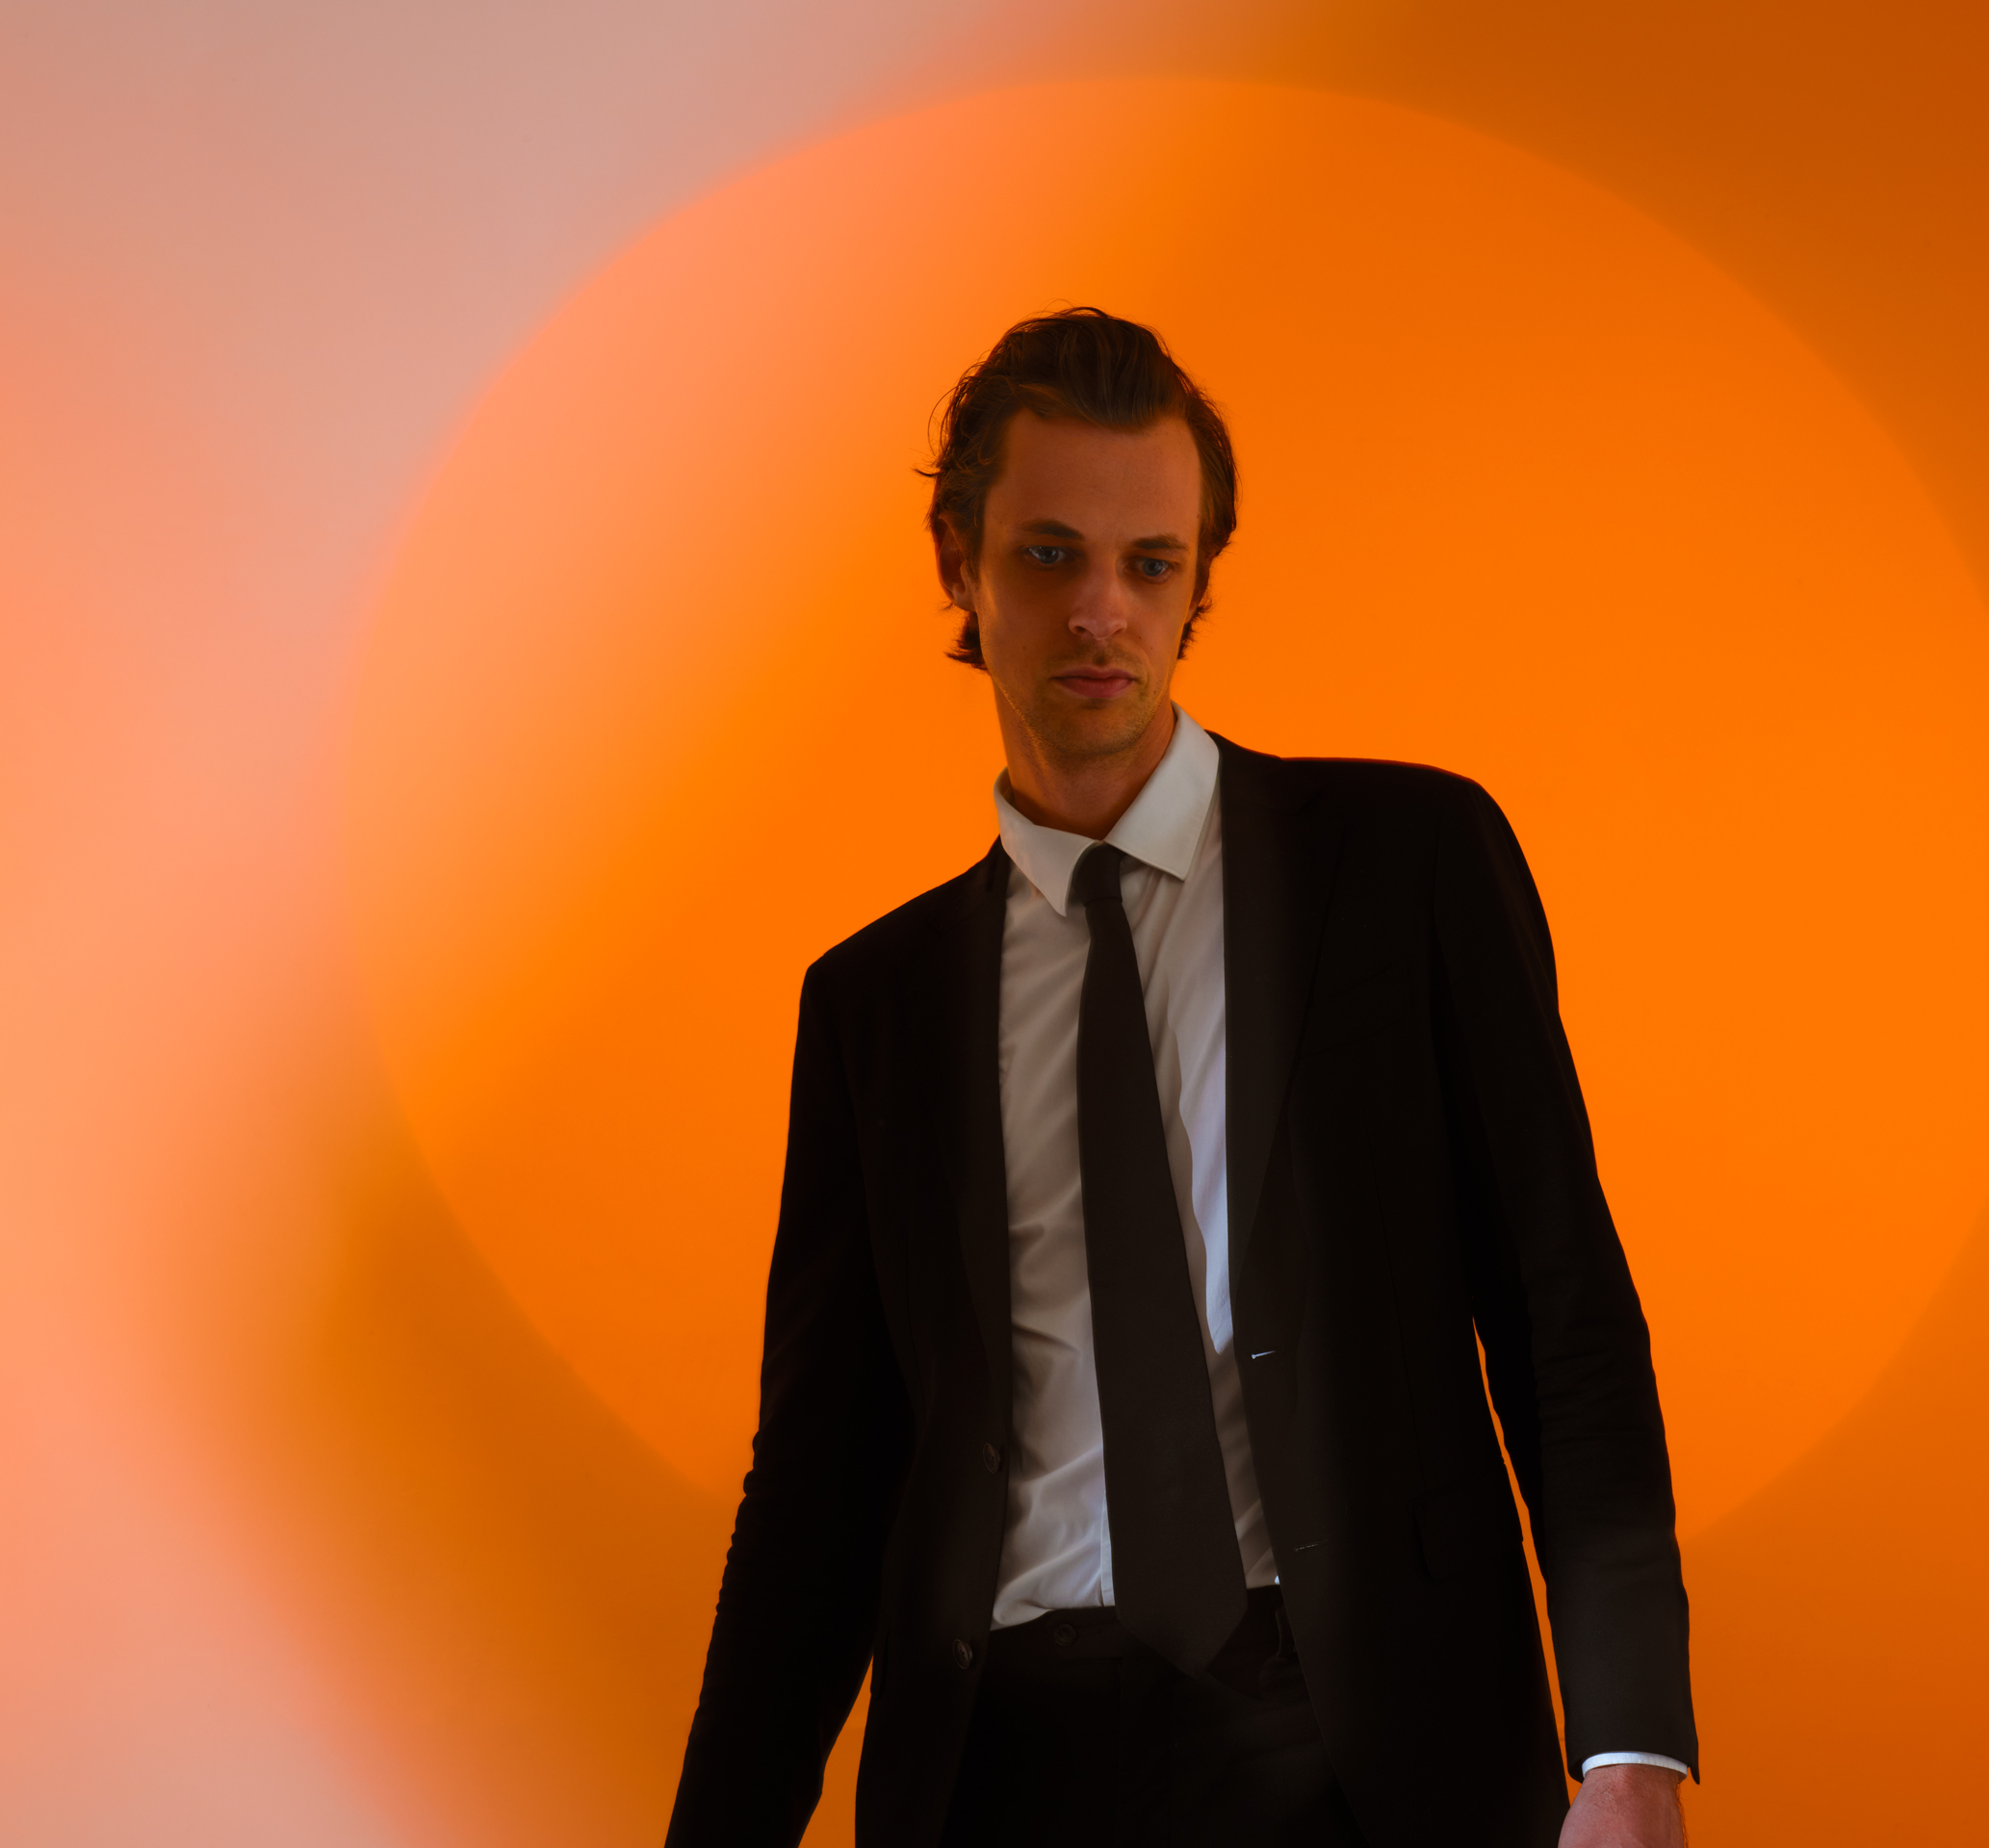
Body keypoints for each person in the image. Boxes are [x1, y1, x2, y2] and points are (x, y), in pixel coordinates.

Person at [664, 308, 1697, 1848]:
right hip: (1000, 1762)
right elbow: (820, 1486)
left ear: (1199, 578)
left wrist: (1628, 1748)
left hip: (1360, 1740)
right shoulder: (875, 1005)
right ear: (959, 561)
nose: (1103, 612)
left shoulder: (1407, 868)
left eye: (1151, 564)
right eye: (1050, 556)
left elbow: (1567, 1322)